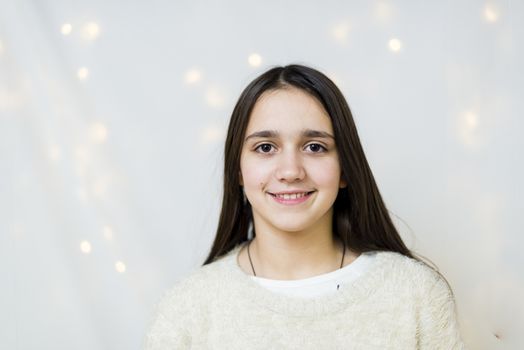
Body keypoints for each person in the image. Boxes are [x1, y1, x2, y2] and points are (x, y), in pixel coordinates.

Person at [143, 64, 466, 349]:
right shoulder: (187, 309)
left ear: (345, 169)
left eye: (315, 147)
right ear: (238, 170)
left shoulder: (415, 295)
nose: (290, 171)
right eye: (265, 147)